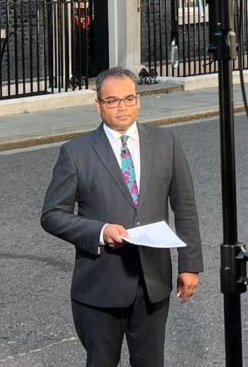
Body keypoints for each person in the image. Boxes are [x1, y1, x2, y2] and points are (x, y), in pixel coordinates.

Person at [41, 67, 203, 367]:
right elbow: (52, 215)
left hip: (153, 282)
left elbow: (185, 208)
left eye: (129, 98)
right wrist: (100, 231)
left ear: (139, 101)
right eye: (112, 101)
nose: (122, 107)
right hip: (100, 286)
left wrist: (190, 265)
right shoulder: (76, 153)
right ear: (98, 105)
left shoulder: (166, 142)